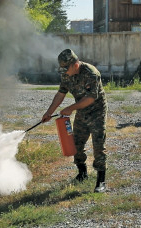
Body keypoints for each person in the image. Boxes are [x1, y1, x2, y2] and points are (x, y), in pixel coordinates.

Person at [42, 49, 108, 193]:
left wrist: (70, 108)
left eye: (66, 68)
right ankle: (82, 173)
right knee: (76, 144)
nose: (64, 71)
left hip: (97, 111)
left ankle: (101, 181)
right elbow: (60, 94)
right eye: (62, 68)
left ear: (75, 65)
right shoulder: (66, 75)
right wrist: (49, 113)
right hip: (82, 111)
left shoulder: (91, 73)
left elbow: (91, 98)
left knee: (98, 145)